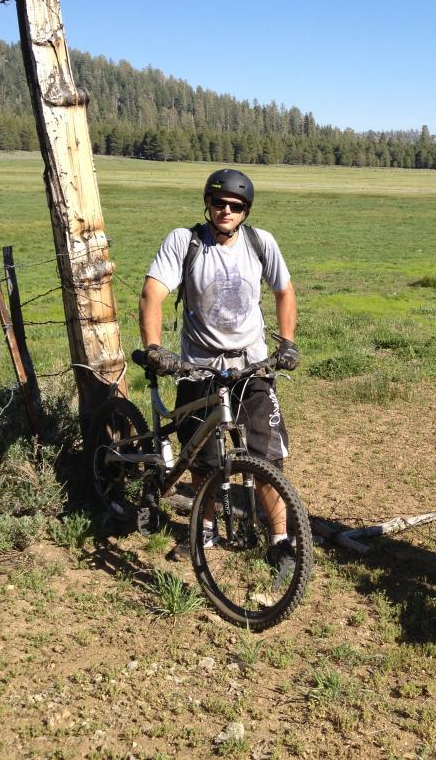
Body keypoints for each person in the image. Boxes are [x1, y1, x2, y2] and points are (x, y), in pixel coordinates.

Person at [138, 168, 299, 570]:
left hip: (252, 365)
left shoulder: (261, 243)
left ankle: (280, 541)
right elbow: (152, 294)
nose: (226, 211)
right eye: (219, 203)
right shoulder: (185, 241)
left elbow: (284, 291)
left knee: (267, 457)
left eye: (236, 206)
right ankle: (206, 529)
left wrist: (288, 342)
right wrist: (154, 348)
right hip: (199, 366)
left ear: (246, 211)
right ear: (207, 204)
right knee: (203, 457)